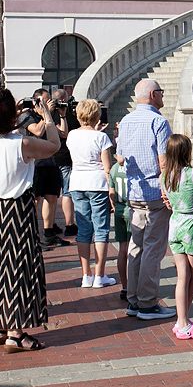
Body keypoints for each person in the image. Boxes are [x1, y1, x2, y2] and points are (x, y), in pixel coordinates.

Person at [0, 87, 58, 353]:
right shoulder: (22, 143)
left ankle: (1, 325)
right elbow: (54, 145)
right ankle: (16, 333)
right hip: (17, 209)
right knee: (19, 269)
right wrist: (48, 119)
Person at [116, 79, 175, 321]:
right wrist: (168, 190)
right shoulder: (158, 121)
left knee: (136, 246)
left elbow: (119, 157)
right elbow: (164, 161)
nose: (162, 96)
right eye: (161, 92)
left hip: (134, 192)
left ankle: (133, 300)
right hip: (153, 192)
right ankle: (148, 303)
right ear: (153, 94)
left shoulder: (127, 120)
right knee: (152, 248)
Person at [160, 133, 193, 339]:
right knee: (191, 275)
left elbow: (168, 199)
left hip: (174, 224)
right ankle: (184, 321)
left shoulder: (163, 175)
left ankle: (182, 320)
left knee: (181, 275)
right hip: (191, 225)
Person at [67, 99, 115, 289]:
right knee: (101, 229)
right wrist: (112, 189)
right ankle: (99, 274)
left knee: (84, 229)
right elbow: (107, 166)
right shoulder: (101, 137)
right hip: (97, 183)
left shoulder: (71, 135)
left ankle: (85, 274)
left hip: (77, 182)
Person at [17, 89, 68, 248]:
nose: (48, 103)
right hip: (35, 164)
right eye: (44, 101)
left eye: (49, 100)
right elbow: (38, 131)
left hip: (50, 163)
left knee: (52, 198)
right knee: (35, 200)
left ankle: (48, 233)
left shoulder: (48, 114)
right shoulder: (26, 115)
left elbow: (63, 133)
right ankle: (32, 235)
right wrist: (46, 114)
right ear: (36, 101)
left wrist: (62, 115)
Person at [50, 88, 79, 239]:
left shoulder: (47, 114)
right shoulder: (67, 115)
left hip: (51, 157)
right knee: (67, 193)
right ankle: (69, 224)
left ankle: (51, 224)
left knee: (52, 195)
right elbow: (72, 130)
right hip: (65, 157)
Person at [109, 149, 130, 302]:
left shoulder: (114, 168)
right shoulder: (131, 167)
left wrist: (115, 207)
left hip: (119, 208)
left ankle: (125, 285)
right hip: (132, 208)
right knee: (136, 249)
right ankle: (136, 285)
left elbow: (112, 191)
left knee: (122, 249)